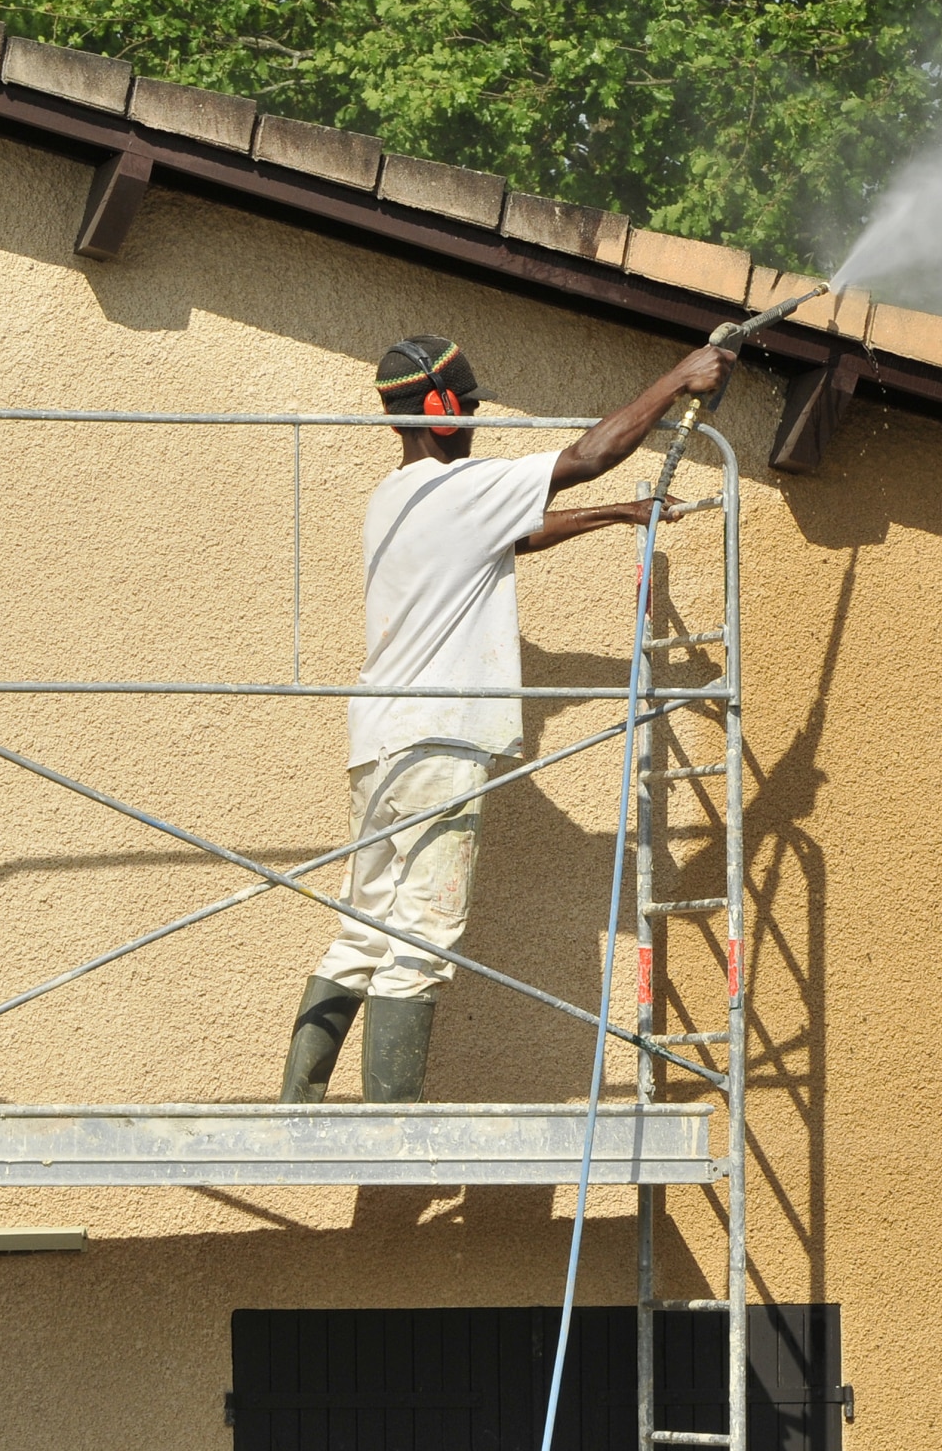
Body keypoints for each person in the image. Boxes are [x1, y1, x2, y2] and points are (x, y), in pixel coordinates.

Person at [277, 333, 735, 1104]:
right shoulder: (459, 487)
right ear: (440, 408)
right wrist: (678, 379)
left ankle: (300, 1102)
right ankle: (390, 1130)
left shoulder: (395, 499)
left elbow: (513, 533)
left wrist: (614, 516)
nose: (478, 420)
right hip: (438, 744)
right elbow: (589, 454)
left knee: (365, 926)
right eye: (471, 406)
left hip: (381, 746)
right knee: (422, 935)